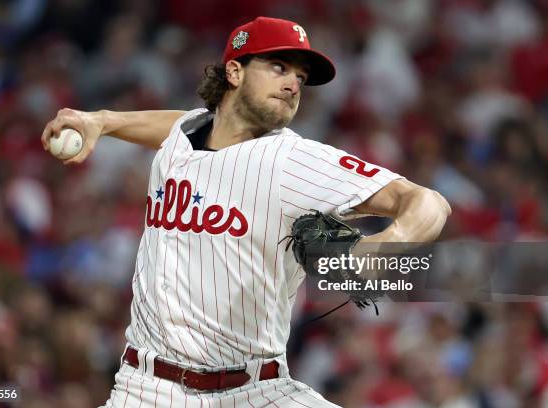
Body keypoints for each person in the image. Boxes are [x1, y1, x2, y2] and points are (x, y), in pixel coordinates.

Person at [42, 16, 451, 408]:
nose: (293, 84)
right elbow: (178, 127)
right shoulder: (184, 136)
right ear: (235, 72)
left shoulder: (294, 161)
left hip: (257, 391)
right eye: (279, 67)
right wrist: (102, 120)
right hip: (145, 389)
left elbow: (428, 202)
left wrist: (388, 243)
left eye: (301, 78)